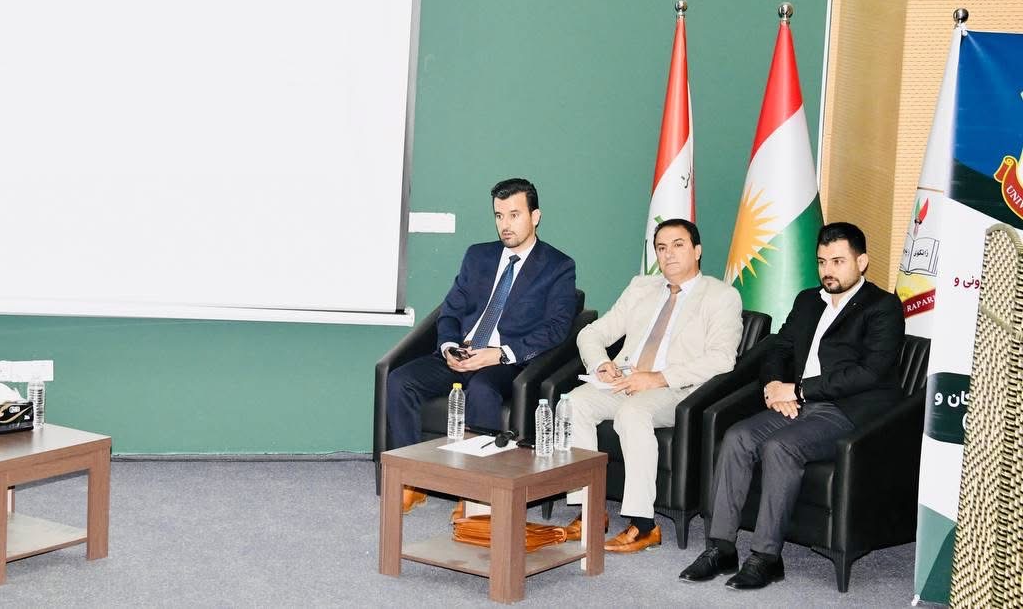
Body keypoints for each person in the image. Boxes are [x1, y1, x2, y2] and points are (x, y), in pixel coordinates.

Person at [679, 222, 904, 590]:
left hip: (847, 411)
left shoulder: (882, 307)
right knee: (736, 437)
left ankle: (766, 558)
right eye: (822, 262)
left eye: (838, 261)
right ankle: (721, 548)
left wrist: (798, 391)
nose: (828, 271)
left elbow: (869, 373)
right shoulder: (808, 300)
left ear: (861, 262)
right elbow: (778, 348)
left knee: (780, 446)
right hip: (796, 402)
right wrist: (772, 385)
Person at [386, 178, 576, 512]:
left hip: (507, 361)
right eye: (499, 216)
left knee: (483, 390)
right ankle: (413, 481)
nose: (505, 224)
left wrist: (499, 354)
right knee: (400, 380)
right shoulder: (478, 256)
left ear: (535, 216)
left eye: (514, 215)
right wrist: (449, 347)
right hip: (464, 351)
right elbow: (450, 311)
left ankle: (475, 496)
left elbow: (556, 328)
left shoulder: (558, 266)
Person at [566, 218, 742, 552]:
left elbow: (722, 360)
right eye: (661, 248)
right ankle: (590, 510)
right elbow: (592, 333)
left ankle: (644, 525)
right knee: (574, 403)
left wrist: (658, 378)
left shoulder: (721, 296)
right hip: (626, 379)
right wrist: (602, 363)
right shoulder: (641, 288)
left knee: (633, 412)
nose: (668, 254)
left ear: (697, 251)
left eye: (678, 245)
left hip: (678, 389)